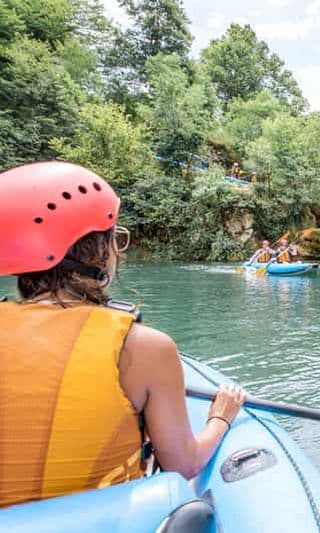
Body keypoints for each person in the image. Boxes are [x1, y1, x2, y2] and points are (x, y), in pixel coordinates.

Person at [0, 162, 245, 508]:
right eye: (115, 238)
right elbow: (184, 463)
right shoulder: (144, 348)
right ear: (99, 250)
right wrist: (221, 417)